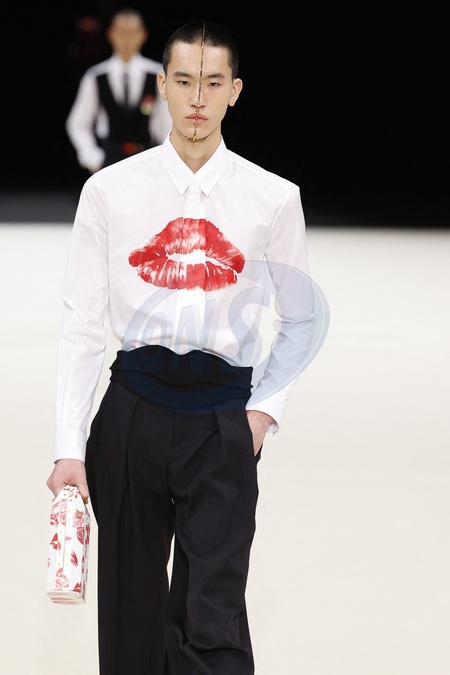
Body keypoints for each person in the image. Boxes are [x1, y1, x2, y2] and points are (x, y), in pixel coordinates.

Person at [47, 18, 319, 674]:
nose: (198, 98)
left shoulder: (273, 198)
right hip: (131, 410)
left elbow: (302, 318)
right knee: (131, 618)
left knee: (213, 617)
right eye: (185, 81)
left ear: (235, 91)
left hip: (222, 418)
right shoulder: (109, 191)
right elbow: (82, 322)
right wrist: (68, 446)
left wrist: (261, 414)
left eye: (214, 83)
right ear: (162, 86)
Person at [65, 7, 172, 173]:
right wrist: (92, 158)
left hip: (147, 160)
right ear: (110, 34)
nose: (126, 39)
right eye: (121, 33)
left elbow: (168, 123)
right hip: (109, 162)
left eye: (132, 33)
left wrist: (165, 157)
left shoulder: (157, 75)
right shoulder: (96, 76)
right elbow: (77, 123)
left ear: (143, 34)